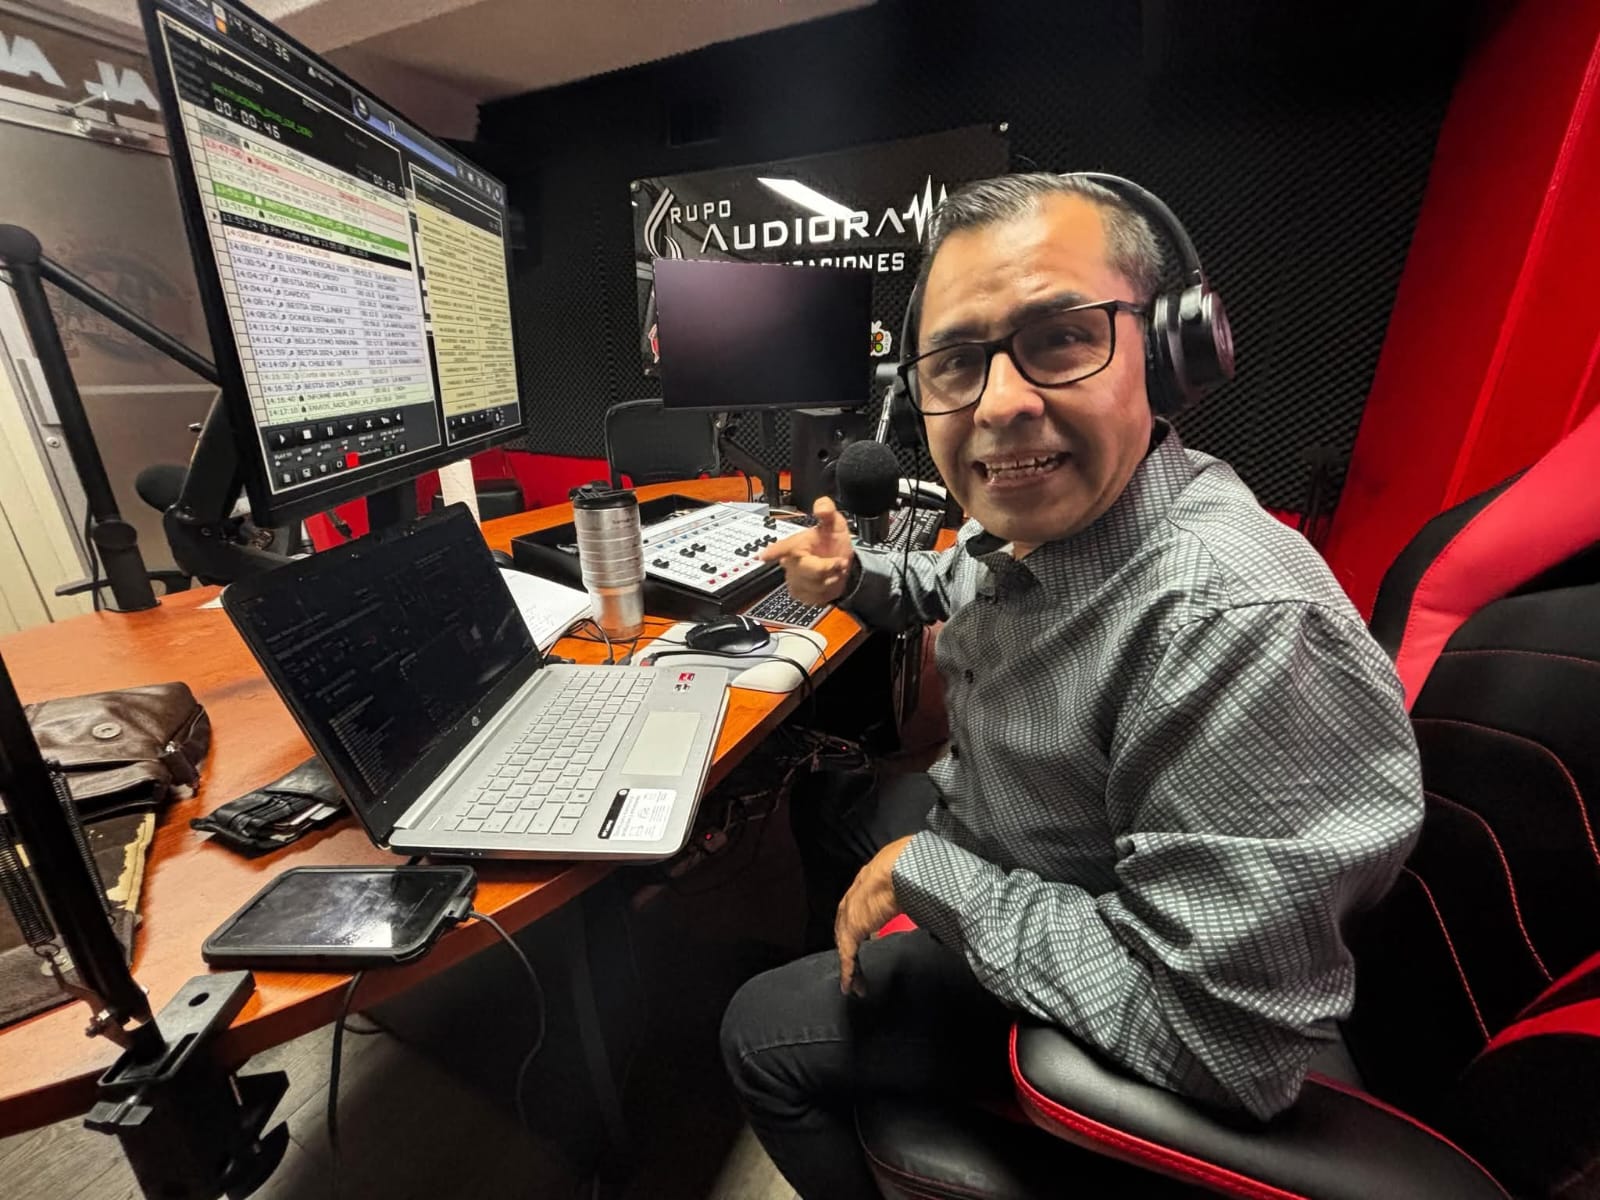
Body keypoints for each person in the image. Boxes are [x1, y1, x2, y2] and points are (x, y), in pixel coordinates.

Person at [718, 173, 1424, 1200]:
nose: (1001, 402)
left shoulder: (1235, 623)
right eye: (957, 362)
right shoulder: (1050, 519)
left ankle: (844, 1038)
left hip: (1098, 936)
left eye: (1058, 339)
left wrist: (938, 879)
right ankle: (853, 975)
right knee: (832, 805)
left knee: (756, 1032)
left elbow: (1225, 1048)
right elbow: (952, 581)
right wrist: (851, 577)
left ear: (1169, 354)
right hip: (1021, 833)